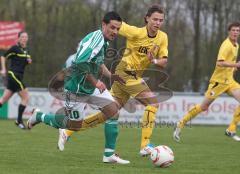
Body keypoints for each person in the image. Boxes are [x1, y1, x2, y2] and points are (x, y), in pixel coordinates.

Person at [58, 4, 169, 159]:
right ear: (147, 19)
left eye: (161, 20)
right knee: (153, 103)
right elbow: (113, 25)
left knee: (110, 112)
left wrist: (154, 60)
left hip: (133, 76)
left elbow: (163, 61)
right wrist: (103, 29)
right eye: (155, 19)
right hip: (125, 72)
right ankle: (145, 146)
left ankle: (67, 131)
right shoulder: (135, 32)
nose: (157, 23)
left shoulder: (163, 37)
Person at [27, 11, 130, 164]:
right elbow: (80, 62)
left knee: (113, 111)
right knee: (73, 125)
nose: (115, 32)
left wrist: (111, 76)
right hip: (75, 89)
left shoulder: (103, 40)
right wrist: (96, 82)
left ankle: (109, 155)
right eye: (112, 27)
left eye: (117, 29)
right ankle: (39, 116)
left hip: (90, 87)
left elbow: (99, 63)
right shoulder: (96, 39)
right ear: (103, 24)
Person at [173, 22, 240, 142]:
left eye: (238, 30)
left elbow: (229, 63)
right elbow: (219, 62)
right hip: (218, 82)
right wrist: (236, 64)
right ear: (229, 32)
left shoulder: (236, 45)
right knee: (203, 107)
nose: (235, 32)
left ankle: (231, 129)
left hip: (229, 81)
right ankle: (181, 123)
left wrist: (233, 68)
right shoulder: (226, 45)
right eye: (233, 30)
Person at [0, 31, 32, 129]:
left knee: (3, 99)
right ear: (18, 38)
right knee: (26, 97)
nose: (24, 38)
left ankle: (19, 120)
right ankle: (19, 120)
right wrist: (3, 69)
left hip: (18, 76)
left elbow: (25, 62)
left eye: (26, 37)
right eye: (22, 37)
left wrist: (28, 61)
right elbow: (3, 56)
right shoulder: (15, 48)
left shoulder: (26, 50)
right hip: (14, 75)